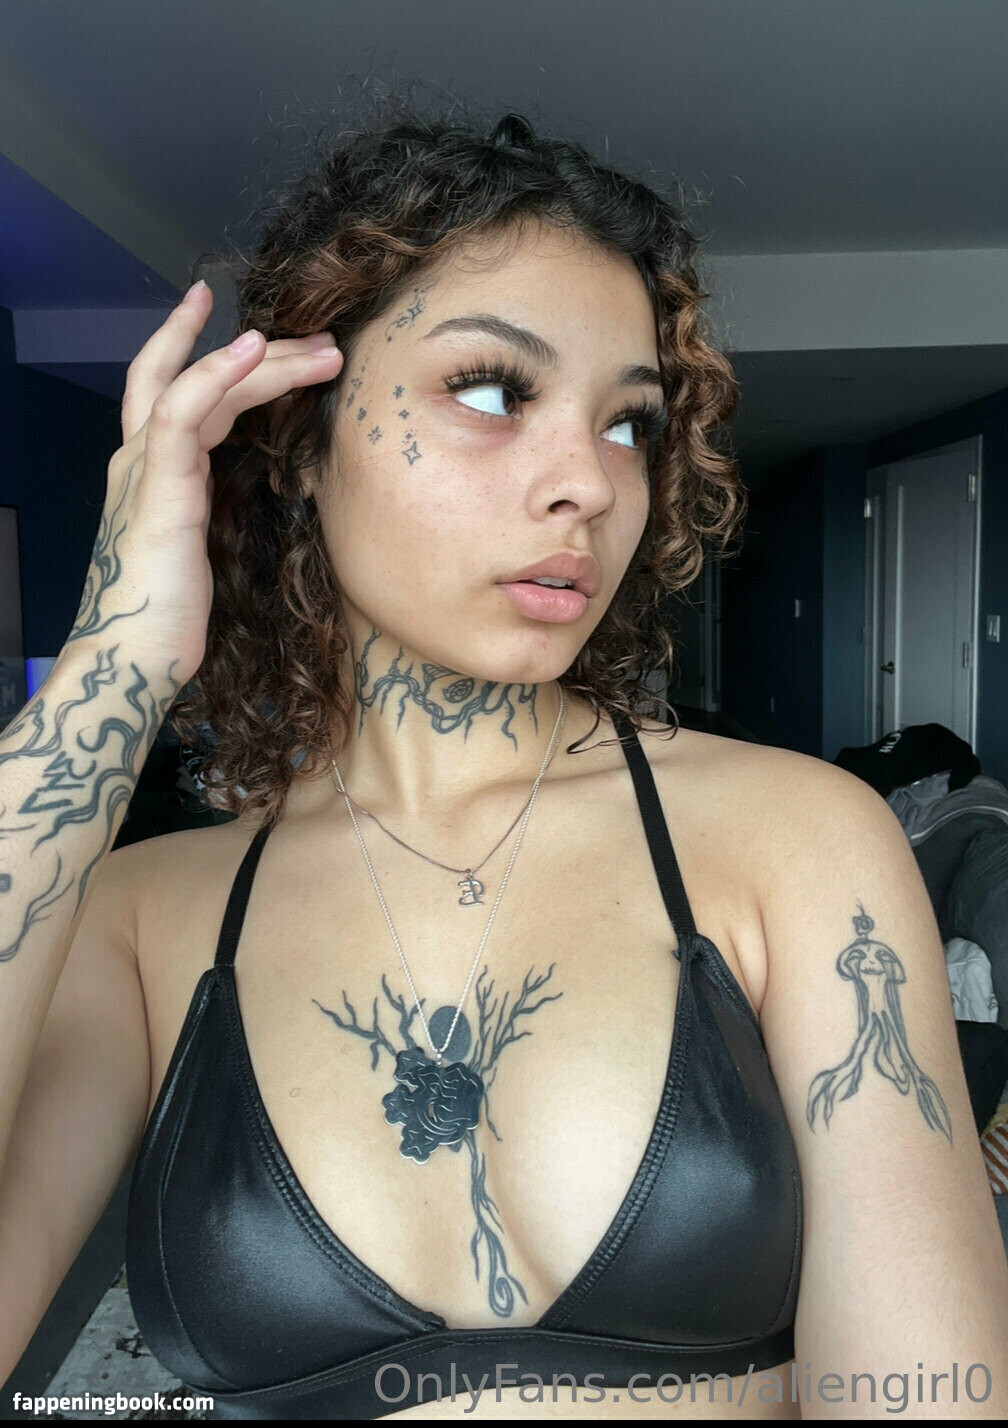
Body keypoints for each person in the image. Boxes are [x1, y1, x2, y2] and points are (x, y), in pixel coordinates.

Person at [0, 99, 1006, 1421]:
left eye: (629, 423)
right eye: (491, 390)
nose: (588, 480)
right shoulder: (140, 925)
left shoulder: (799, 840)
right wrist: (117, 658)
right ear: (299, 442)